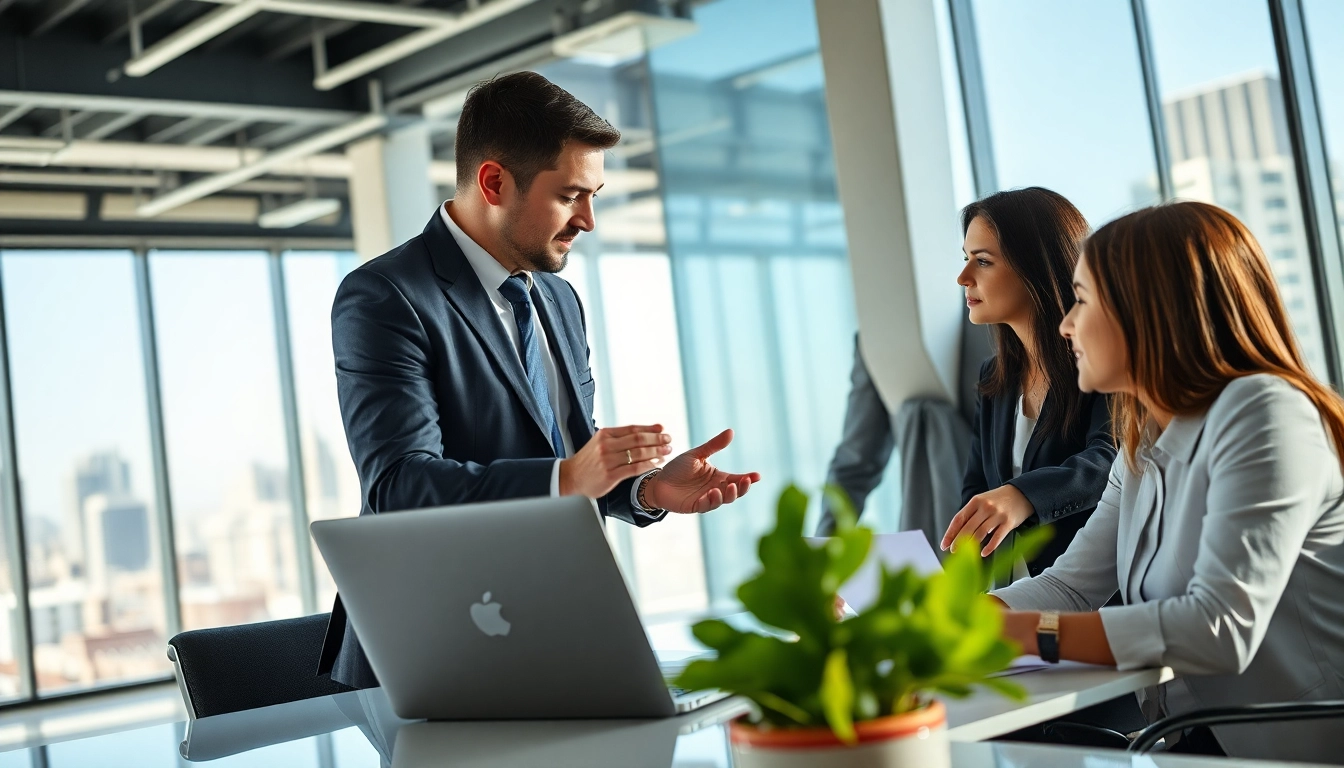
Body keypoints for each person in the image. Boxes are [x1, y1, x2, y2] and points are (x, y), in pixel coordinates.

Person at [318, 72, 761, 690]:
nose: (589, 220)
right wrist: (568, 477)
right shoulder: (386, 296)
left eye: (595, 195)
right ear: (494, 182)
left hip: (550, 630)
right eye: (571, 195)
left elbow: (569, 463)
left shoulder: (557, 298)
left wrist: (646, 491)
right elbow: (398, 485)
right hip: (427, 651)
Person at [993, 201, 1344, 762]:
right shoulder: (1143, 441)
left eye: (1081, 301)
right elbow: (1068, 589)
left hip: (1292, 750)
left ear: (1148, 310)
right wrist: (944, 624)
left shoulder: (1265, 413)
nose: (1064, 325)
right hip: (1189, 744)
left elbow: (1219, 626)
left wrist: (1031, 636)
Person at [942, 188, 1115, 577]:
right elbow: (976, 491)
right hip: (1011, 600)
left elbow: (1111, 459)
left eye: (982, 261)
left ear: (1036, 266)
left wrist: (1023, 496)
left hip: (1092, 597)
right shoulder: (995, 377)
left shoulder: (1104, 361)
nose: (963, 277)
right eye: (966, 259)